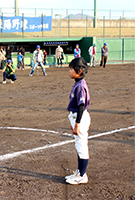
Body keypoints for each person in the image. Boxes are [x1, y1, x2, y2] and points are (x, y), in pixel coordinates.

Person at [65, 57, 91, 185]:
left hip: (79, 117)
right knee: (78, 146)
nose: (69, 72)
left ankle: (82, 175)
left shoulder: (80, 86)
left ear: (79, 71)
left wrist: (77, 124)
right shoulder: (78, 83)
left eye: (71, 69)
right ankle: (80, 171)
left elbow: (81, 106)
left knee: (81, 147)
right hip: (76, 117)